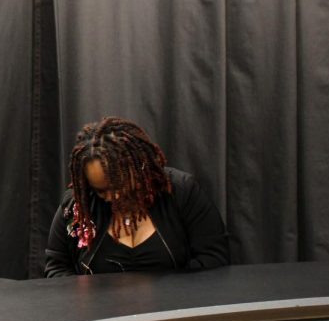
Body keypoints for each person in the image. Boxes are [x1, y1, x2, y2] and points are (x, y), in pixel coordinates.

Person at [45, 116, 229, 276]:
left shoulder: (180, 191)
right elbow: (56, 268)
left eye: (118, 185)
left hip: (174, 311)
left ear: (139, 167)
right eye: (101, 191)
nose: (112, 197)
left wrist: (169, 295)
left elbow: (214, 257)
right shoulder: (76, 207)